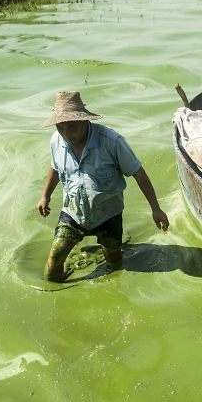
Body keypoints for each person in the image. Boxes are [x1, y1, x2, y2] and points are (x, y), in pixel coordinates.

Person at [36, 91, 169, 282]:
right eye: (60, 127)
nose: (66, 134)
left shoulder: (111, 142)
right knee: (51, 270)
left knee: (114, 265)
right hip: (73, 213)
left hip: (109, 215)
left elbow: (138, 172)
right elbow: (55, 167)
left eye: (71, 127)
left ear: (84, 121)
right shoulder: (57, 140)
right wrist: (45, 196)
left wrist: (156, 209)